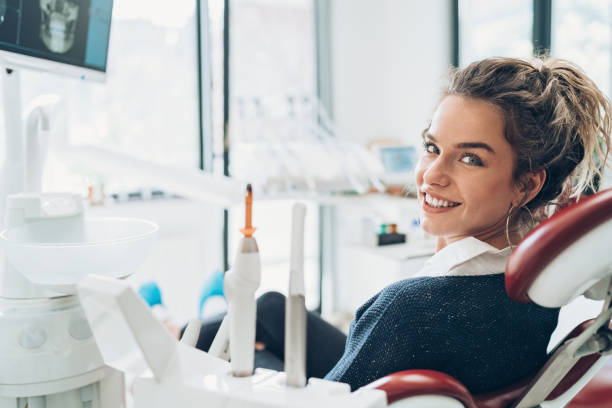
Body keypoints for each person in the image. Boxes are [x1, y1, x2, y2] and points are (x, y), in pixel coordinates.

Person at [189, 57, 612, 393]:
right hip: (414, 366)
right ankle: (176, 334)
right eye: (432, 147)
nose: (432, 175)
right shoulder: (539, 280)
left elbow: (336, 395)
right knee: (271, 307)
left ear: (527, 183)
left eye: (470, 158)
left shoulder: (408, 309)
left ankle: (178, 348)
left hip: (357, 393)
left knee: (238, 355)